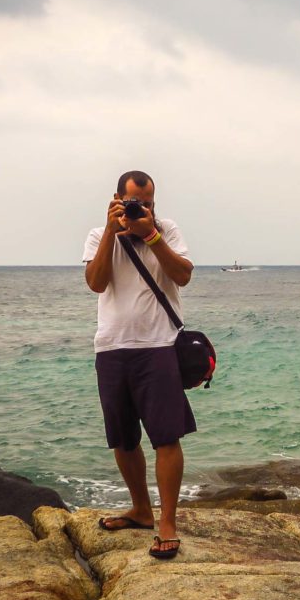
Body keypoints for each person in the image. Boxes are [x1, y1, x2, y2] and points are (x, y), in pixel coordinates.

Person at [82, 170, 195, 559]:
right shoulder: (100, 235)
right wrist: (114, 232)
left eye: (147, 203)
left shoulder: (167, 230)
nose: (142, 208)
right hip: (111, 347)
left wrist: (151, 235)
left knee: (166, 436)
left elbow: (182, 275)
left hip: (159, 345)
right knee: (123, 438)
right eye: (134, 202)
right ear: (116, 199)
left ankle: (167, 522)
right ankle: (141, 509)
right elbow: (96, 283)